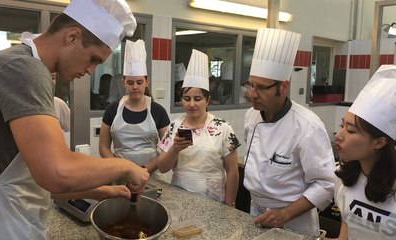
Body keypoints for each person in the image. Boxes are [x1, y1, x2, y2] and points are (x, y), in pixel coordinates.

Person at [0, 0, 149, 239]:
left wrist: (99, 191)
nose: (91, 71)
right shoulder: (24, 68)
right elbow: (56, 173)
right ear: (72, 37)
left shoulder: (14, 62)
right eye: (93, 59)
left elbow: (31, 177)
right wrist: (127, 167)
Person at [243, 28, 335, 236]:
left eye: (261, 87)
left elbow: (327, 183)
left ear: (283, 87)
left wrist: (284, 214)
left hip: (294, 219)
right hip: (256, 211)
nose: (252, 94)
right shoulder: (251, 116)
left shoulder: (307, 126)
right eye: (250, 84)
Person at [331, 65, 396, 240]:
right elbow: (347, 225)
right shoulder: (341, 174)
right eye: (342, 125)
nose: (339, 135)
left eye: (350, 131)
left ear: (379, 142)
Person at [158, 49, 240, 206]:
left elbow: (232, 171)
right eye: (186, 98)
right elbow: (162, 168)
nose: (191, 104)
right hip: (180, 199)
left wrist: (231, 204)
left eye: (198, 99)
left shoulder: (223, 128)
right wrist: (175, 149)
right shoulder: (174, 126)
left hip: (215, 201)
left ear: (207, 100)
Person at [99, 39, 171, 183]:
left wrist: (143, 169)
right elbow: (103, 147)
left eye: (139, 82)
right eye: (130, 83)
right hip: (119, 176)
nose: (135, 87)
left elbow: (167, 148)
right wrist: (121, 169)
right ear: (123, 83)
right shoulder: (112, 110)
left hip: (151, 176)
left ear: (147, 82)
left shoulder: (158, 111)